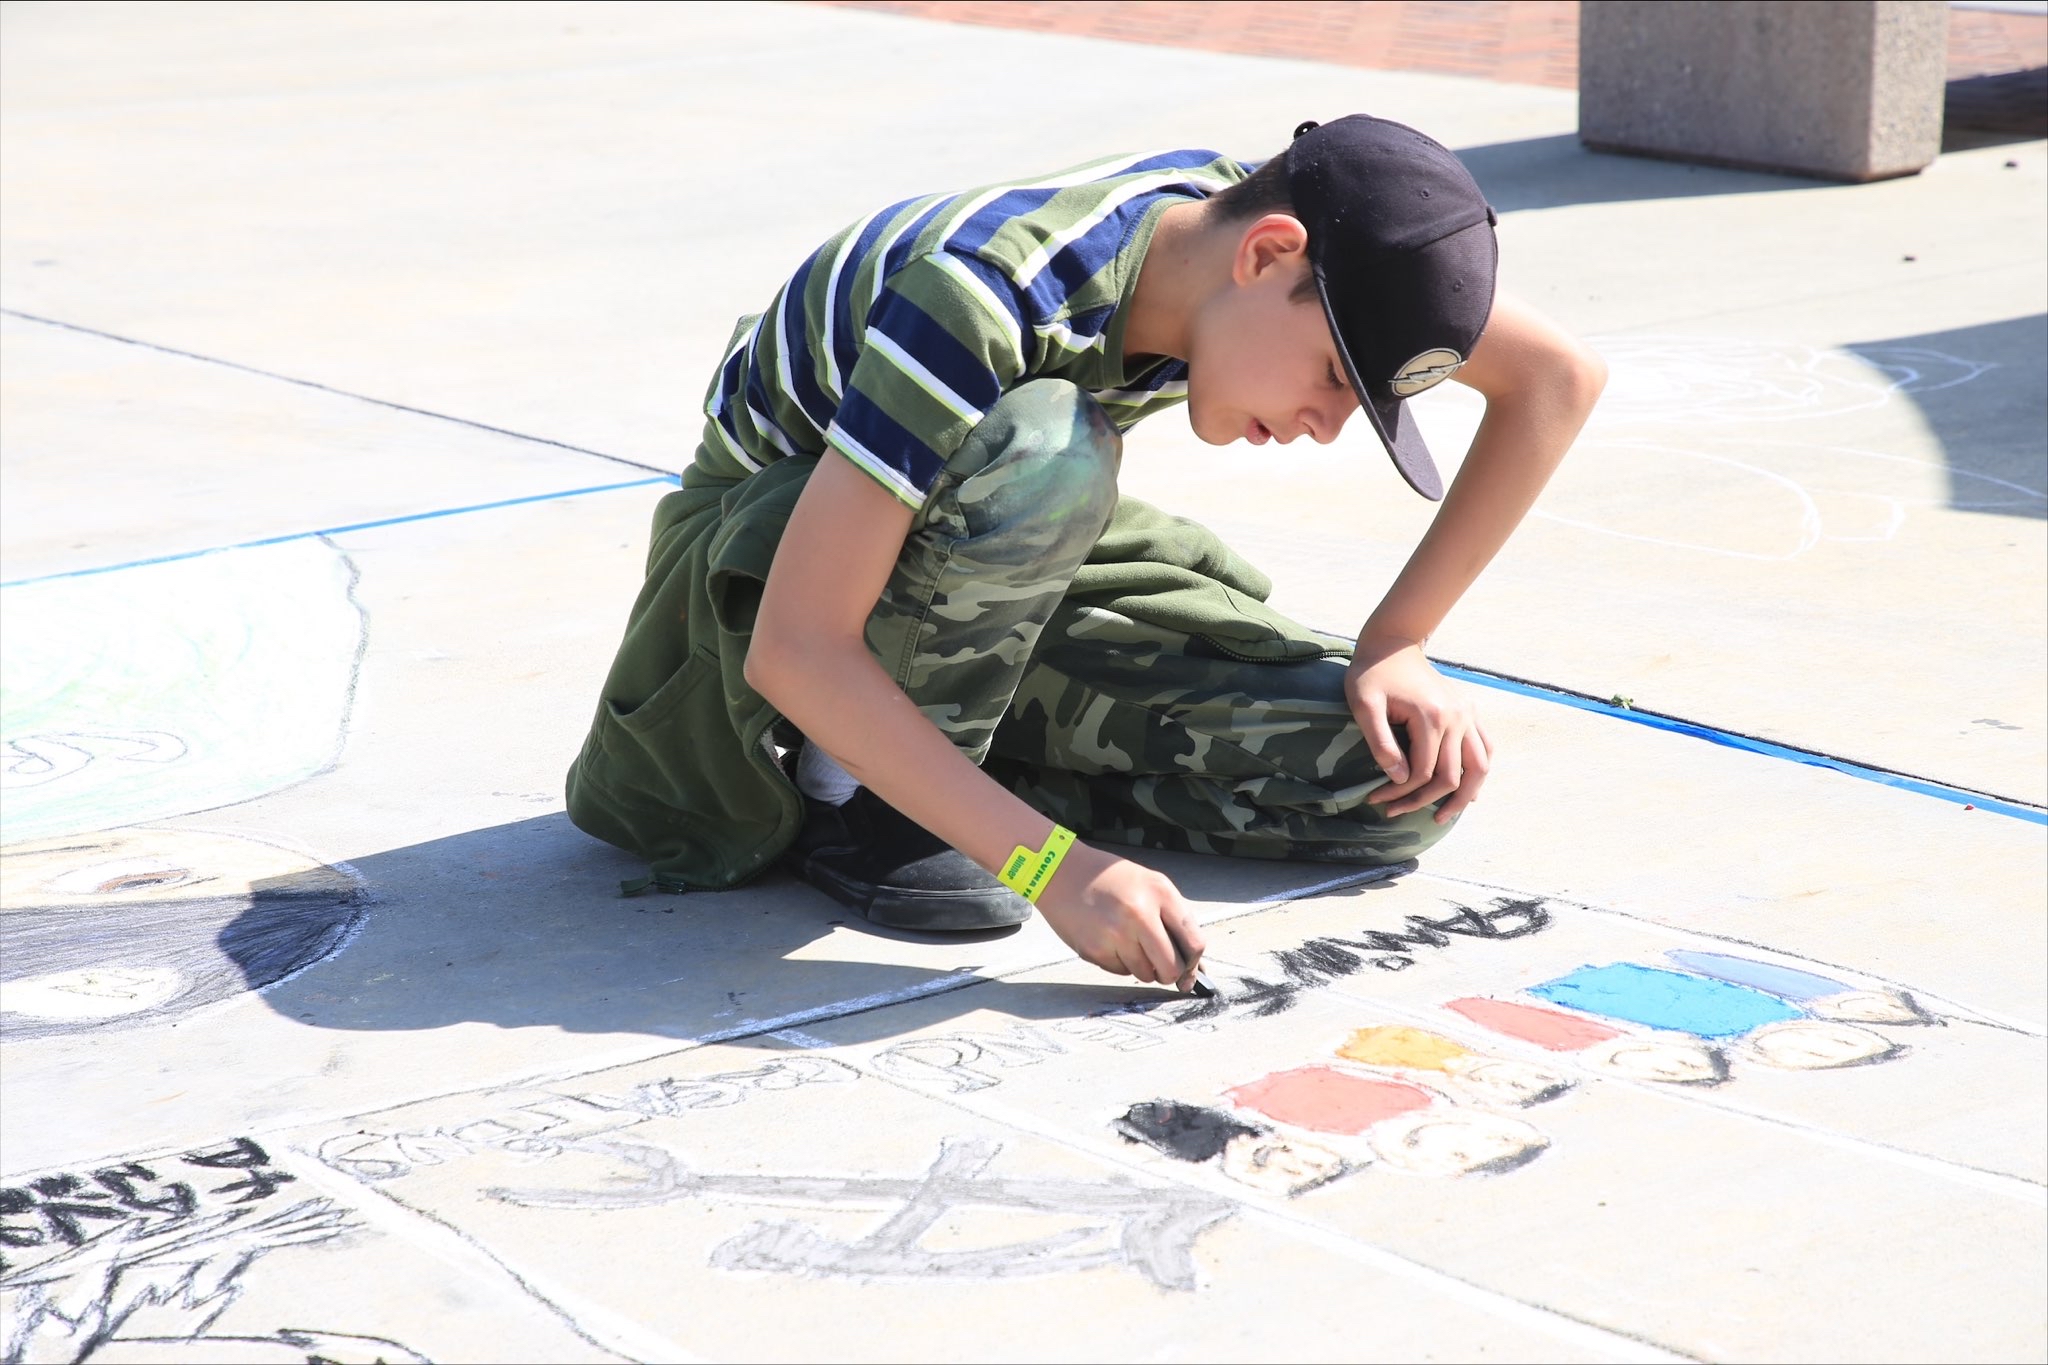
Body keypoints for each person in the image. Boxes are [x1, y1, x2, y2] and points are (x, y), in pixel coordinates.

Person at [564, 115, 1607, 994]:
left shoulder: (1237, 241)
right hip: (766, 584)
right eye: (1335, 377)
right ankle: (857, 799)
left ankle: (948, 770)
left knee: (1382, 786)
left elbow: (1556, 378)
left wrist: (1396, 643)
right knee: (1053, 443)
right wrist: (1048, 867)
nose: (1326, 425)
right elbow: (796, 648)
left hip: (982, 564)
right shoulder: (976, 294)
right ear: (1264, 254)